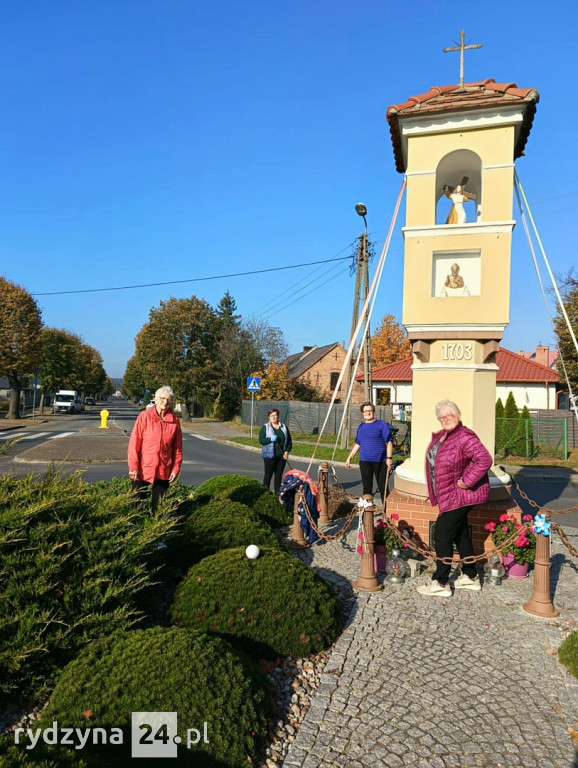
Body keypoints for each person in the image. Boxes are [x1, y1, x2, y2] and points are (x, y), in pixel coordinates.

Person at [417, 399, 492, 597]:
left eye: (450, 415)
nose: (446, 419)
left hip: (461, 495)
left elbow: (484, 459)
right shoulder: (445, 436)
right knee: (460, 534)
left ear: (458, 416)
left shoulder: (464, 436)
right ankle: (470, 576)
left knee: (442, 535)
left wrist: (466, 482)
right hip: (450, 495)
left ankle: (441, 582)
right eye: (442, 417)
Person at [127, 385, 183, 511]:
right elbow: (134, 444)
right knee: (135, 506)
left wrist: (175, 469)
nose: (165, 402)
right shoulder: (144, 417)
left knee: (159, 509)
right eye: (162, 398)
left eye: (168, 399)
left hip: (164, 470)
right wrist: (133, 467)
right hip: (142, 469)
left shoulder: (174, 421)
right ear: (156, 400)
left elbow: (177, 448)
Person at [345, 402, 393, 503]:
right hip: (365, 462)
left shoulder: (381, 424)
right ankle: (367, 511)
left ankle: (387, 511)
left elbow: (388, 441)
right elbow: (358, 444)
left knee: (383, 487)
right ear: (362, 413)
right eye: (366, 411)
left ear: (373, 411)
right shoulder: (361, 427)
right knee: (367, 487)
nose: (368, 412)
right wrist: (350, 457)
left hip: (380, 461)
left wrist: (389, 458)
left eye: (370, 410)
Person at [259, 408, 293, 494]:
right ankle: (265, 493)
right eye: (272, 416)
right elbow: (261, 440)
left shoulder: (284, 427)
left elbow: (289, 441)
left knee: (278, 476)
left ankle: (277, 494)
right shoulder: (265, 427)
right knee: (268, 476)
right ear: (269, 417)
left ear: (278, 416)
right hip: (269, 456)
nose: (274, 417)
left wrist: (287, 452)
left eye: (275, 415)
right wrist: (270, 439)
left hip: (281, 456)